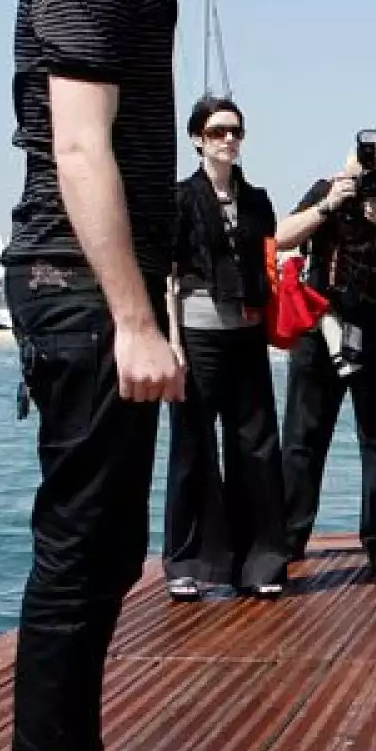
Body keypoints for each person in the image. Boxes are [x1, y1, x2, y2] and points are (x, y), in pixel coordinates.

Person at [0, 0, 239, 751]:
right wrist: (136, 320)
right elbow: (81, 150)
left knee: (102, 556)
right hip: (79, 295)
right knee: (80, 551)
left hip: (93, 297)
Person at [277, 135, 376, 572]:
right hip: (321, 330)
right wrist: (327, 204)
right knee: (303, 440)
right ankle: (288, 540)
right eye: (362, 176)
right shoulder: (325, 192)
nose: (369, 184)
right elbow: (280, 239)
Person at [162, 95, 288, 601]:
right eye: (217, 132)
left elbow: (271, 260)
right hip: (196, 333)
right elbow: (168, 276)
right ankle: (187, 561)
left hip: (247, 335)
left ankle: (259, 562)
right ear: (197, 138)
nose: (228, 139)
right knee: (192, 446)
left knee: (255, 445)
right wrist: (172, 343)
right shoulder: (181, 199)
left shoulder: (257, 200)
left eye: (235, 131)